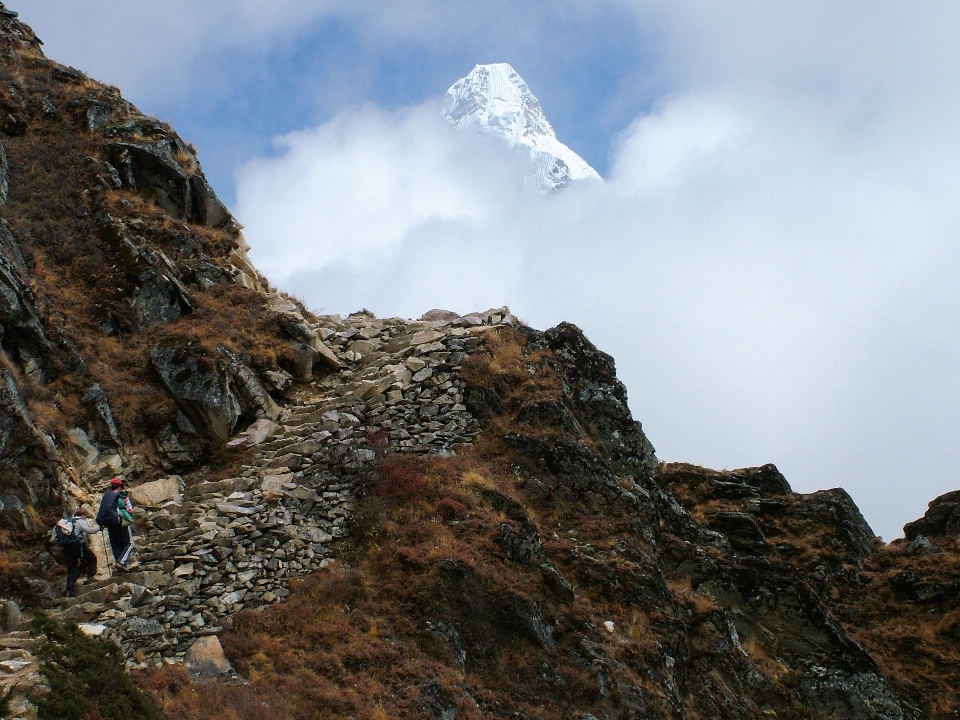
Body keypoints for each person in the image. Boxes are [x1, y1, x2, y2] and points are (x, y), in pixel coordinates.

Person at [57, 505, 99, 597]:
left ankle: (69, 590)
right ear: (82, 515)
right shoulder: (80, 521)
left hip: (66, 547)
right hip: (77, 545)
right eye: (86, 516)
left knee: (73, 568)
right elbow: (89, 531)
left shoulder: (68, 523)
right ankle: (90, 577)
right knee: (91, 558)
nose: (86, 518)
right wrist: (99, 528)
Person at [96, 477, 134, 568]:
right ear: (120, 486)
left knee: (116, 544)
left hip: (109, 523)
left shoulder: (107, 496)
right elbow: (130, 509)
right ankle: (121, 562)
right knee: (129, 543)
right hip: (120, 521)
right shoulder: (122, 495)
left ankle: (119, 565)